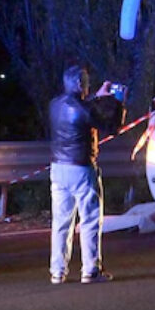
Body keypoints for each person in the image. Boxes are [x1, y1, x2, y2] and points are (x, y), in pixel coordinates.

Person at [48, 66, 115, 284]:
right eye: (85, 82)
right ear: (79, 84)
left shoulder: (54, 105)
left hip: (58, 168)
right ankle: (90, 270)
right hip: (82, 169)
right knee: (90, 220)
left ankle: (57, 272)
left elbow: (79, 107)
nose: (87, 86)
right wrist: (118, 102)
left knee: (61, 223)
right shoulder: (85, 110)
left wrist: (97, 95)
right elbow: (111, 127)